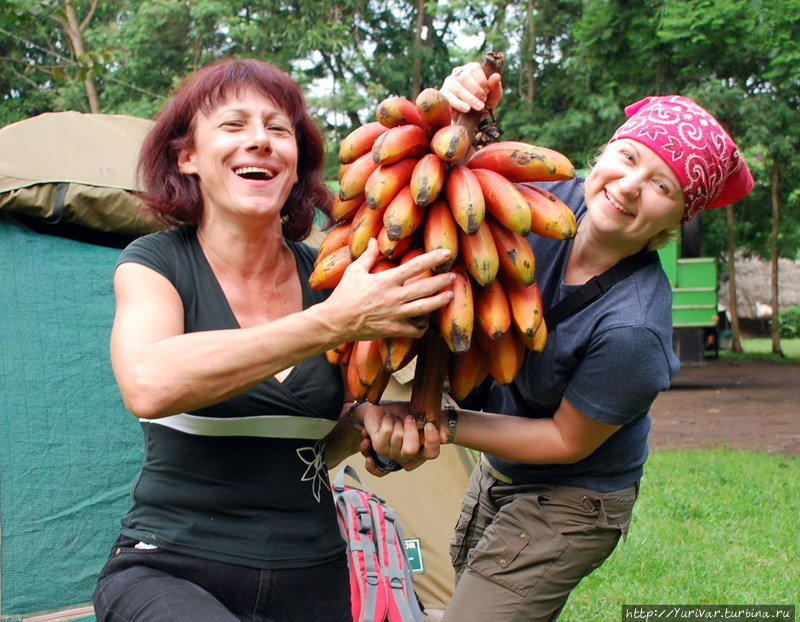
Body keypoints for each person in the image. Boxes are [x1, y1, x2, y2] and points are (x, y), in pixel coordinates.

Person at [368, 62, 755, 621]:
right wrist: (465, 118)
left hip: (576, 494)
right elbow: (448, 194)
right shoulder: (538, 199)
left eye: (662, 186)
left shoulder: (634, 328)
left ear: (678, 216)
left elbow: (565, 441)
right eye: (628, 158)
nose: (628, 186)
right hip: (501, 466)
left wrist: (439, 422)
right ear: (605, 154)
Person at [91, 57, 456, 622]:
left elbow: (312, 446)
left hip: (313, 572)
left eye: (278, 129)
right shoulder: (155, 264)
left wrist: (364, 428)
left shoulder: (333, 276)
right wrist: (335, 322)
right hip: (170, 567)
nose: (259, 141)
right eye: (234, 125)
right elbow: (148, 382)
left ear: (295, 166)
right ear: (187, 156)